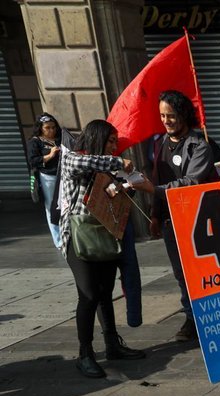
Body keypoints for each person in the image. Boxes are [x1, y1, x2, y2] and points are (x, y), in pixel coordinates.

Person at [58, 119, 148, 378]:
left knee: (105, 292)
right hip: (78, 238)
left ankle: (112, 344)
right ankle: (84, 354)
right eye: (110, 141)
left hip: (105, 235)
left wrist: (126, 187)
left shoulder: (106, 165)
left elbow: (107, 195)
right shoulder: (75, 159)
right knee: (88, 294)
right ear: (97, 138)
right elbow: (84, 165)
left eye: (115, 143)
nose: (113, 147)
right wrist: (119, 163)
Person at [136, 89, 217, 344]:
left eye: (170, 115)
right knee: (181, 274)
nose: (166, 120)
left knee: (203, 271)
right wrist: (155, 214)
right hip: (171, 220)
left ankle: (212, 316)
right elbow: (158, 178)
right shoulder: (160, 144)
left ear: (183, 114)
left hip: (197, 220)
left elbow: (191, 181)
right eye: (162, 116)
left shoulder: (200, 145)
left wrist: (154, 190)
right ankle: (192, 318)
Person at [27, 113, 62, 248]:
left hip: (62, 175)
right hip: (48, 177)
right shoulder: (35, 141)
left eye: (53, 127)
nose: (51, 130)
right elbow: (33, 161)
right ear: (41, 128)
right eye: (47, 128)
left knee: (65, 204)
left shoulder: (59, 139)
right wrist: (50, 155)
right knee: (51, 207)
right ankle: (58, 240)